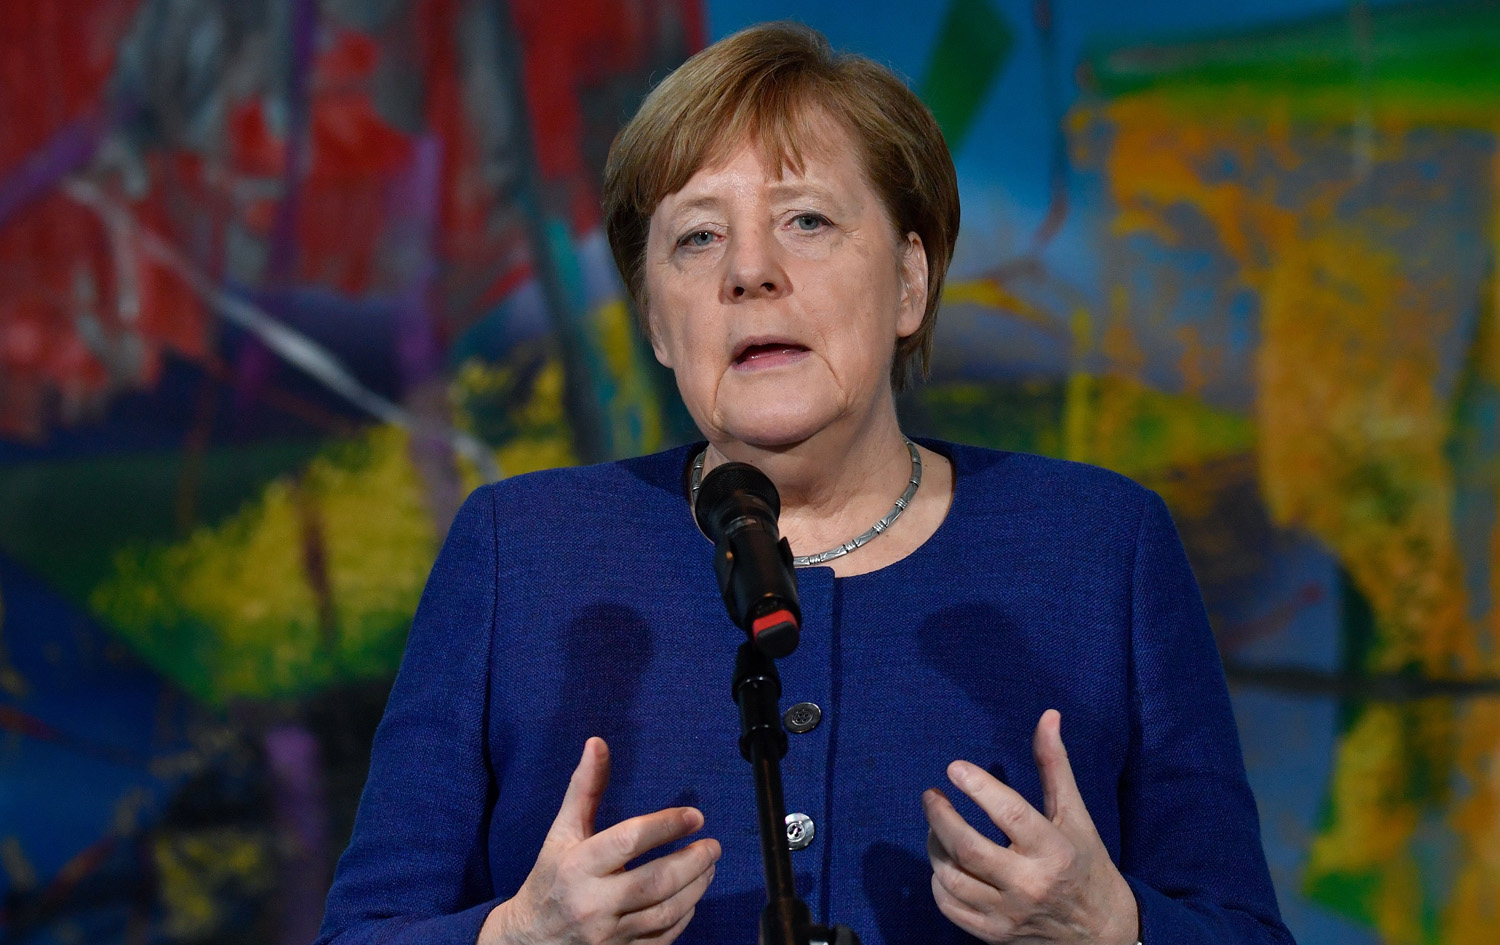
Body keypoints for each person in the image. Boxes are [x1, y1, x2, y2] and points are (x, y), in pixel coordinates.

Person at [316, 21, 1295, 945]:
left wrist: (1113, 926)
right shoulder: (519, 552)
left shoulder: (1101, 547)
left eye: (808, 220)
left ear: (909, 283)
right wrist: (517, 937)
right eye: (698, 237)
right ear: (656, 321)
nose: (750, 270)